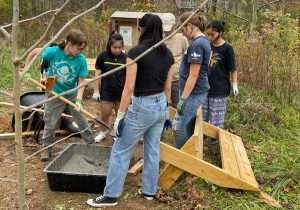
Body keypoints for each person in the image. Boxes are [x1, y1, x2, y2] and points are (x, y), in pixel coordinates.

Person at [87, 14, 174, 207]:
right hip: (160, 104)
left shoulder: (136, 53)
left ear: (142, 29)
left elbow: (128, 88)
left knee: (120, 149)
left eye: (139, 28)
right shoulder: (167, 54)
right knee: (152, 150)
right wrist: (166, 111)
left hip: (142, 106)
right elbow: (168, 87)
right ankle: (149, 192)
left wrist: (119, 117)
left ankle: (111, 196)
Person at [40, 29, 94, 161]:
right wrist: (30, 71)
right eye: (78, 48)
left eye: (82, 49)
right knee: (50, 122)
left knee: (80, 117)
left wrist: (79, 101)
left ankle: (91, 144)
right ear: (69, 43)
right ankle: (46, 149)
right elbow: (38, 54)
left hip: (71, 91)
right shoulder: (53, 52)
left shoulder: (80, 59)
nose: (80, 52)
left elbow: (82, 81)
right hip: (52, 88)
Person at [175, 12, 211, 149]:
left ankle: (181, 160)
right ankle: (189, 151)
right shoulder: (200, 42)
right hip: (193, 92)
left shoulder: (198, 44)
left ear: (190, 26)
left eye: (183, 29)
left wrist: (183, 99)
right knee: (187, 125)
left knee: (181, 127)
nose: (183, 34)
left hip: (193, 93)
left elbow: (193, 75)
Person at [205, 21, 238, 139]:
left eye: (212, 35)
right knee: (203, 115)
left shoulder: (227, 48)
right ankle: (203, 137)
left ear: (220, 33)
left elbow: (233, 68)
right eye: (208, 34)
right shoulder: (207, 45)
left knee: (216, 117)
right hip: (205, 87)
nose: (209, 37)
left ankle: (215, 141)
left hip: (220, 88)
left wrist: (234, 84)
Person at [92, 33, 126, 142]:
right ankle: (103, 132)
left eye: (119, 48)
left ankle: (118, 134)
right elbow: (98, 74)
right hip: (106, 91)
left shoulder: (125, 58)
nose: (117, 50)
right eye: (114, 47)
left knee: (120, 115)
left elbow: (128, 76)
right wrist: (96, 90)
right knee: (105, 114)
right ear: (109, 46)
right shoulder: (103, 56)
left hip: (121, 92)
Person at [165, 28, 189, 107]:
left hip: (177, 80)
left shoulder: (182, 38)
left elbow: (187, 57)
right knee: (165, 105)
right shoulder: (161, 39)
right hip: (164, 80)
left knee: (177, 105)